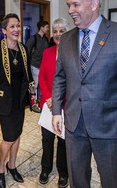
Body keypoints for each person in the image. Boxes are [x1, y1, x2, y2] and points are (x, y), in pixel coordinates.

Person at [52, 0, 117, 188]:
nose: (70, 10)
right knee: (77, 177)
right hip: (74, 124)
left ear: (94, 4)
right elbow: (59, 78)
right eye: (68, 5)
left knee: (111, 177)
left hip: (109, 125)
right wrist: (57, 111)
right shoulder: (66, 39)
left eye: (75, 4)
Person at [0, 13, 35, 188]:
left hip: (19, 100)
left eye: (18, 26)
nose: (16, 29)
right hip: (4, 100)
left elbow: (27, 74)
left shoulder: (23, 49)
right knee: (8, 138)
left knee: (17, 134)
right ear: (4, 30)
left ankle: (12, 166)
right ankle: (0, 168)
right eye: (12, 26)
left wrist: (32, 90)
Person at [38, 18, 69, 187]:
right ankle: (45, 169)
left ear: (68, 32)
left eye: (61, 30)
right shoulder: (47, 52)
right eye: (55, 31)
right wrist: (49, 97)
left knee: (63, 141)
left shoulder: (74, 53)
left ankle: (63, 173)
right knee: (47, 139)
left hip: (66, 105)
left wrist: (59, 100)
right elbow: (42, 77)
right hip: (48, 105)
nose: (57, 34)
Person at [26, 20, 52, 112]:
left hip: (43, 67)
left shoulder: (46, 39)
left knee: (42, 86)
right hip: (35, 65)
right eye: (46, 27)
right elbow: (27, 51)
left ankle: (41, 103)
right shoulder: (34, 38)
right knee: (35, 86)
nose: (48, 29)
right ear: (41, 28)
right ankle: (33, 104)